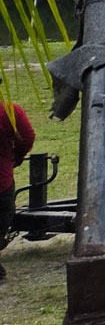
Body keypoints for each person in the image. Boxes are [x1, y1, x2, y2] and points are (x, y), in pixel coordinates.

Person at [0, 102, 33, 280]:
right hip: (1, 177)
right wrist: (17, 156)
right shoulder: (8, 111)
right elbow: (27, 137)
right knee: (3, 215)